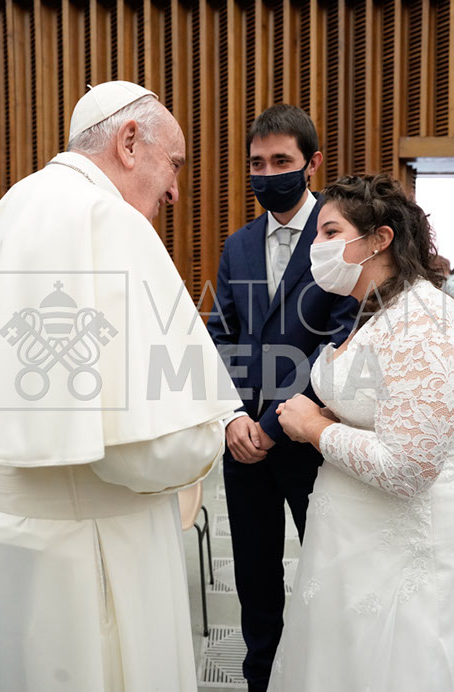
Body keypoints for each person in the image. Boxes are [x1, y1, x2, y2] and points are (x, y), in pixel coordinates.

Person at [0, 81, 240, 692]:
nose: (175, 191)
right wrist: (211, 432)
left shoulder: (7, 210)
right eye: (174, 163)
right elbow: (150, 450)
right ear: (129, 142)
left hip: (7, 537)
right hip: (96, 549)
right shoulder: (110, 221)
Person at [268, 174, 454, 692]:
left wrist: (314, 429)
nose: (317, 246)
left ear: (380, 239)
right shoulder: (377, 309)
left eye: (330, 232)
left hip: (394, 555)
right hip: (350, 545)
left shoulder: (423, 322)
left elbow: (409, 467)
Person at [207, 104, 357, 692]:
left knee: (329, 574)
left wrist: (273, 425)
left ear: (311, 163)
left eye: (280, 161)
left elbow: (338, 342)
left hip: (312, 440)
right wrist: (232, 418)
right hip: (243, 445)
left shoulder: (338, 236)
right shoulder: (239, 244)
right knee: (255, 579)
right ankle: (260, 680)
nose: (267, 174)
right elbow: (221, 336)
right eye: (257, 163)